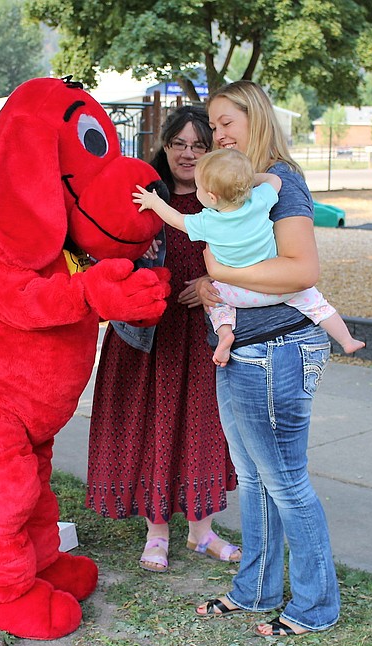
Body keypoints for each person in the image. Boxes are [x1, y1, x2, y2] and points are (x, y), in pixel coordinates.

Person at [189, 80, 340, 638]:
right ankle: (254, 590)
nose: (217, 134)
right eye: (213, 124)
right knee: (252, 481)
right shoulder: (237, 189)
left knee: (286, 483)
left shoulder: (283, 184)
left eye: (227, 121)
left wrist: (222, 275)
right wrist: (213, 283)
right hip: (241, 350)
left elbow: (301, 271)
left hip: (278, 348)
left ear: (256, 119)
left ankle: (315, 606)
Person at [85, 105, 239, 573]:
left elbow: (252, 258)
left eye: (199, 145)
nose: (188, 154)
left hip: (203, 335)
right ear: (164, 146)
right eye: (179, 144)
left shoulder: (227, 201)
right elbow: (105, 252)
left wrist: (216, 285)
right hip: (147, 337)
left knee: (202, 428)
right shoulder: (142, 196)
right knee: (153, 425)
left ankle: (202, 532)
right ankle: (156, 533)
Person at [133, 148, 365, 366]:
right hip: (278, 287)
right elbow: (276, 181)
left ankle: (225, 334)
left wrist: (154, 202)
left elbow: (174, 218)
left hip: (237, 293)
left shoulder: (207, 222)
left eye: (199, 187)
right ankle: (346, 340)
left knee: (216, 302)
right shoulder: (259, 201)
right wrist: (247, 180)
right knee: (316, 303)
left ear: (212, 197)